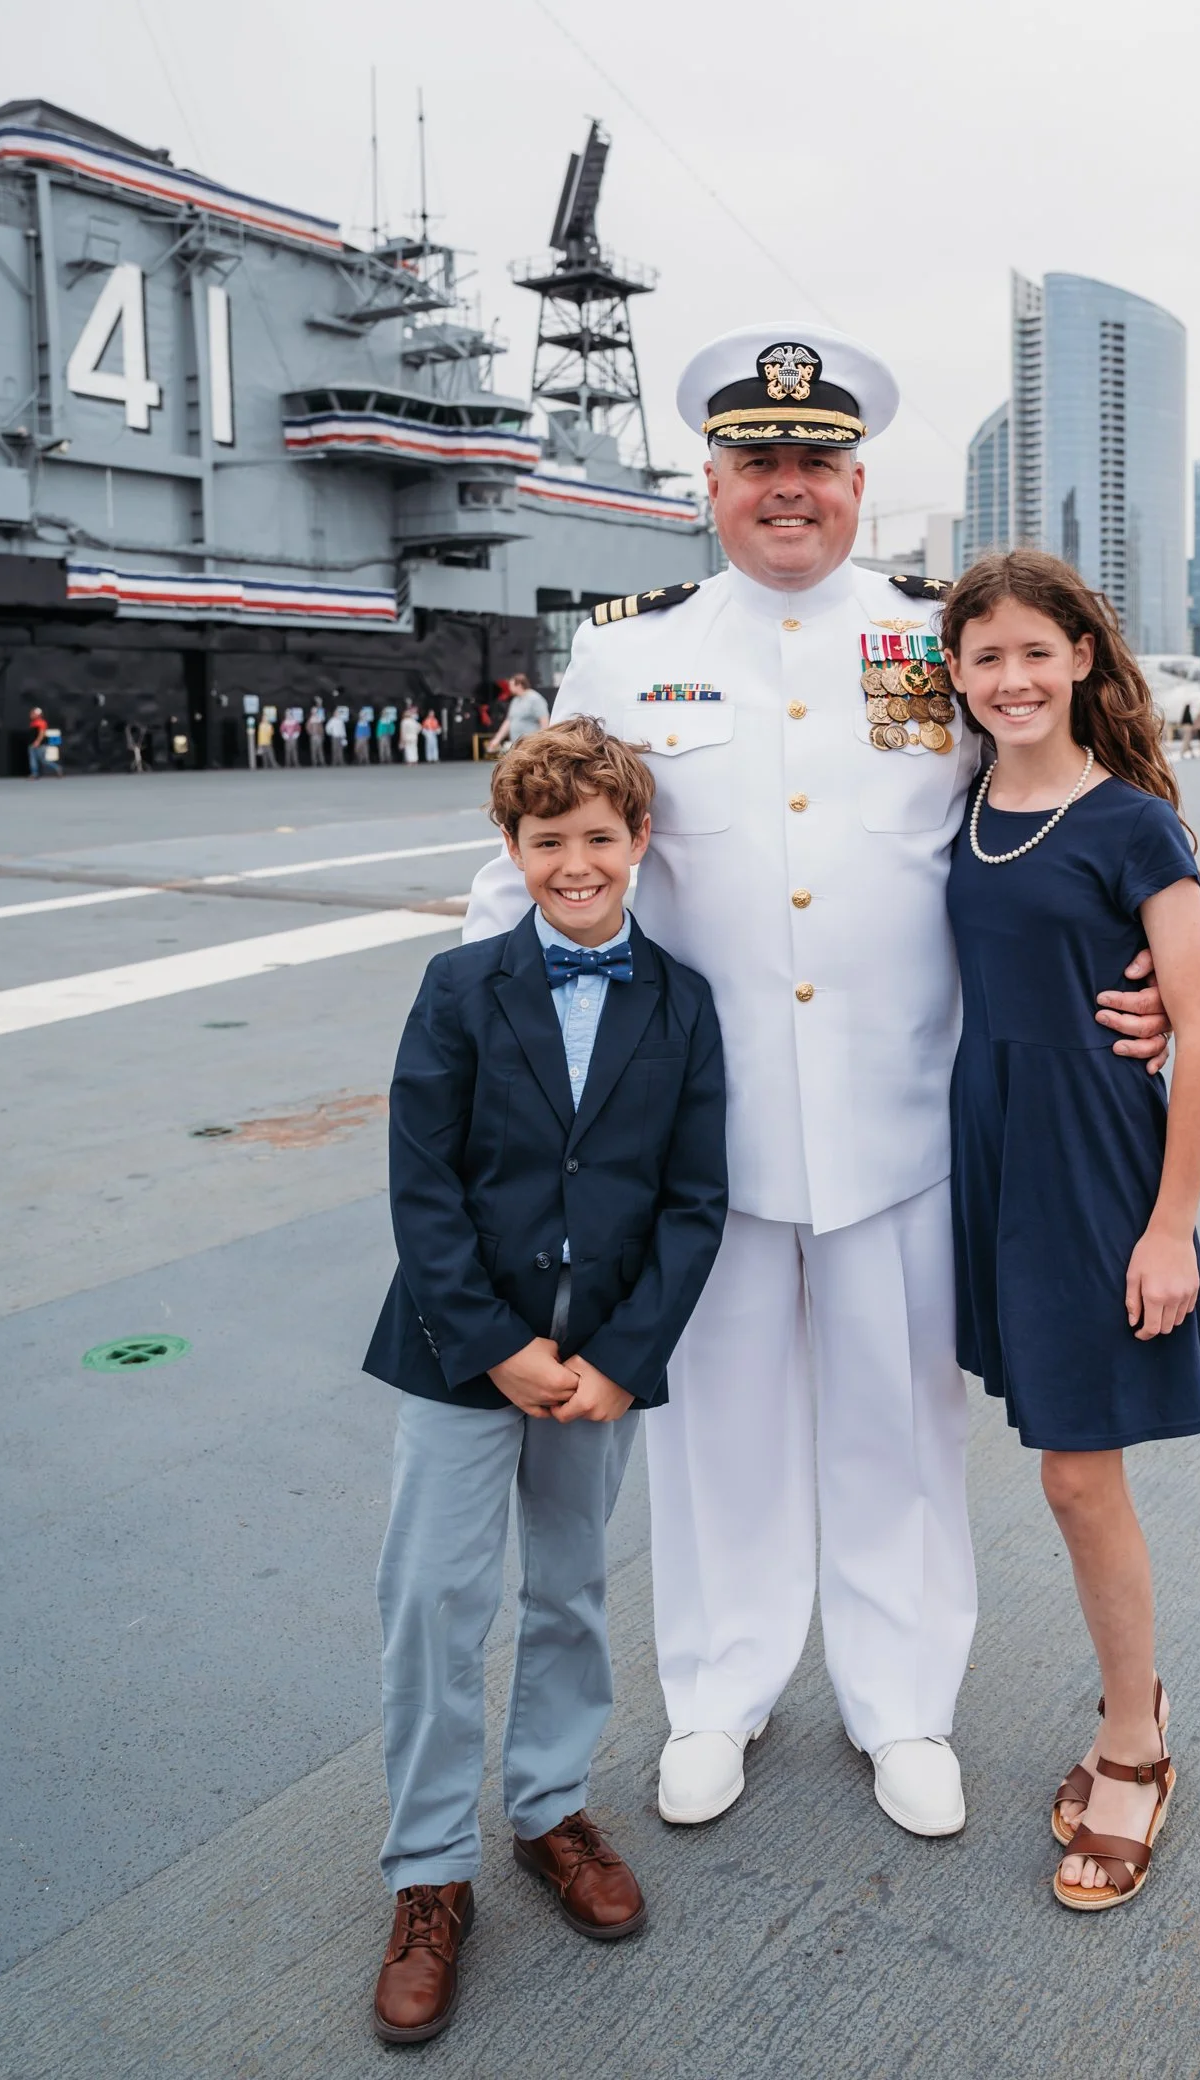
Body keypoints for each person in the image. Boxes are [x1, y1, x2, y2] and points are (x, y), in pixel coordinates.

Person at [461, 324, 1172, 1839]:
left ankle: (903, 1701)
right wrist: (476, 1035)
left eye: (817, 465)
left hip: (903, 1124)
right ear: (709, 483)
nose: (789, 488)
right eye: (758, 464)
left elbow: (1070, 806)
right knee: (714, 1429)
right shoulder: (629, 652)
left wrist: (1154, 978)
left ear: (856, 482)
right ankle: (718, 1693)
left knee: (897, 1424)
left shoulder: (937, 637)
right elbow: (541, 851)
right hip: (696, 1140)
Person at [363, 717, 727, 2045]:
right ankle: (427, 1874)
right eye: (547, 841)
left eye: (598, 838)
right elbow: (423, 1188)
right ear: (510, 852)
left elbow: (696, 1203)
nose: (575, 863)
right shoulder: (459, 989)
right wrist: (495, 1343)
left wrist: (622, 1360)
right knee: (432, 1603)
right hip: (463, 1351)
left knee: (569, 1590)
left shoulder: (683, 1004)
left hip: (599, 1366)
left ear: (638, 844)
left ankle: (548, 1806)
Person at [943, 550, 1200, 1912]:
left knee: (1074, 1475)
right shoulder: (962, 804)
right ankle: (1136, 1709)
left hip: (1092, 1160)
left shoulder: (1134, 826)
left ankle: (1135, 1741)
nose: (1011, 678)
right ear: (955, 673)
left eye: (1033, 653)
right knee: (1056, 1459)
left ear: (1083, 663)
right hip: (990, 1152)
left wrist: (1171, 1227)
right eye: (983, 656)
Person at [485, 673, 550, 754]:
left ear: (519, 685)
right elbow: (508, 721)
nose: (509, 687)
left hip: (532, 747)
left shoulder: (535, 699)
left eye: (511, 685)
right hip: (517, 747)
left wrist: (542, 743)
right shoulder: (515, 700)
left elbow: (544, 722)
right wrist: (497, 739)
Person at [27, 706, 47, 778]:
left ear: (37, 715)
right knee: (33, 759)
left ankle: (57, 768)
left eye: (33, 714)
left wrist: (37, 741)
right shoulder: (33, 723)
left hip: (39, 745)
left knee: (43, 761)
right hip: (32, 744)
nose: (31, 715)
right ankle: (34, 774)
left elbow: (41, 733)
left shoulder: (41, 723)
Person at [308, 699, 327, 767]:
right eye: (313, 711)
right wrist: (311, 733)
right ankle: (314, 763)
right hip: (313, 736)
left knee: (320, 749)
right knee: (313, 750)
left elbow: (321, 711)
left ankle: (322, 762)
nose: (314, 712)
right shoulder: (310, 719)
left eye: (315, 711)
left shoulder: (319, 718)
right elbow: (308, 727)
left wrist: (319, 703)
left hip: (319, 736)